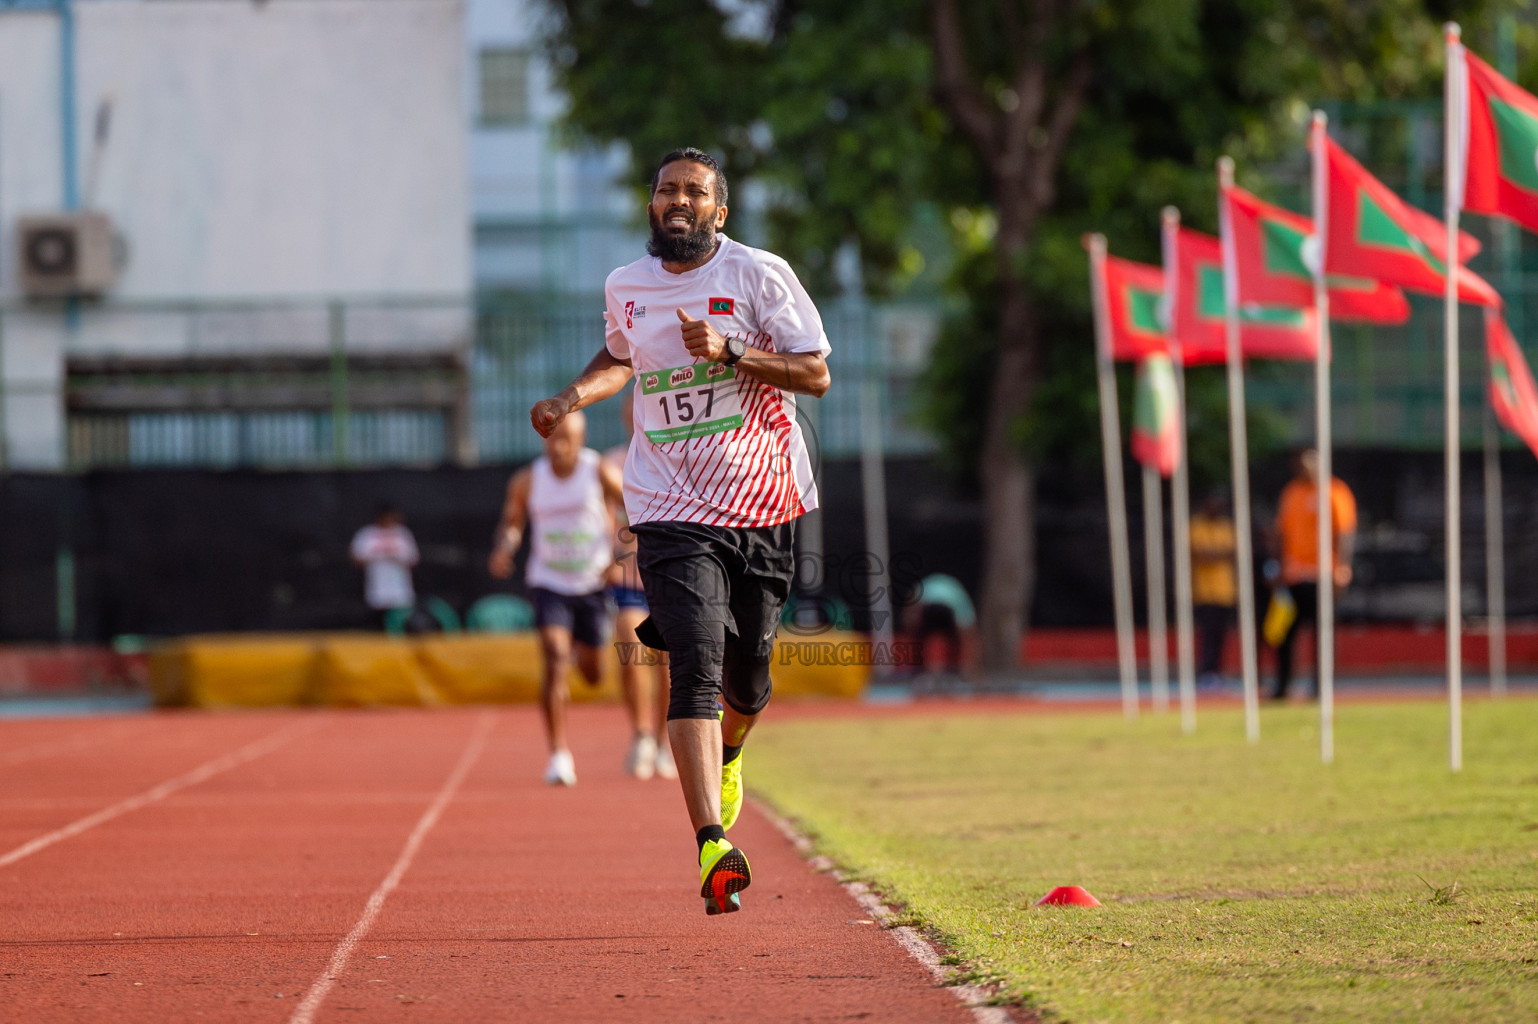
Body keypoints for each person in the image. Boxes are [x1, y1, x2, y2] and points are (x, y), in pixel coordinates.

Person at [529, 147, 830, 915]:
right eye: (666, 189)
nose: (678, 200)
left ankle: (730, 749)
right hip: (667, 505)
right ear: (652, 203)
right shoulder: (625, 286)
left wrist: (733, 351)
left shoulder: (759, 274)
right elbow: (619, 356)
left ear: (718, 211)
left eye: (694, 191)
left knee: (749, 679)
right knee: (691, 659)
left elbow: (816, 371)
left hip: (761, 501)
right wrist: (571, 397)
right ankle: (711, 845)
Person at [488, 410, 626, 786]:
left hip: (592, 584)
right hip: (548, 581)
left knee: (594, 675)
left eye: (567, 437)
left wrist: (619, 559)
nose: (559, 445)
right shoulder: (528, 479)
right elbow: (512, 522)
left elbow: (632, 511)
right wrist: (506, 547)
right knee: (552, 653)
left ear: (581, 440)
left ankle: (583, 648)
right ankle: (558, 754)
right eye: (553, 437)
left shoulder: (597, 471)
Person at [606, 384, 677, 781]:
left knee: (670, 664)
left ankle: (668, 741)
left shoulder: (675, 459)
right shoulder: (611, 463)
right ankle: (641, 736)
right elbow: (603, 517)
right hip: (630, 577)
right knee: (631, 649)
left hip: (670, 576)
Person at [1269, 449, 1357, 700]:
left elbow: (1345, 531)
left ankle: (1321, 688)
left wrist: (1342, 567)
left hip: (1324, 576)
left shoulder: (1335, 491)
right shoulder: (1292, 492)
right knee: (1284, 633)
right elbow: (1281, 532)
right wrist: (1277, 566)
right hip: (1294, 576)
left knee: (1323, 634)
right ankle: (1283, 686)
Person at [1189, 493, 1237, 689]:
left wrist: (1213, 553)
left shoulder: (1226, 526)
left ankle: (1216, 671)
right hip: (1204, 591)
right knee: (1207, 635)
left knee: (1220, 635)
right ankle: (1206, 672)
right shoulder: (1196, 525)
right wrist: (1220, 553)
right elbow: (1199, 554)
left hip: (1225, 591)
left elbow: (1233, 552)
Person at [350, 504, 419, 630]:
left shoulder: (402, 534)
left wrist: (395, 558)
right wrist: (377, 557)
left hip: (400, 590)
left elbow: (413, 559)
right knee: (378, 624)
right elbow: (356, 558)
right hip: (377, 589)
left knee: (403, 623)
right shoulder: (367, 534)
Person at [903, 573, 976, 678]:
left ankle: (918, 670)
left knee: (917, 635)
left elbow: (910, 611)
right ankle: (961, 669)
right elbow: (968, 632)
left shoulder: (926, 587)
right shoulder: (956, 592)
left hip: (933, 607)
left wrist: (911, 627)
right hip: (944, 608)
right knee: (961, 638)